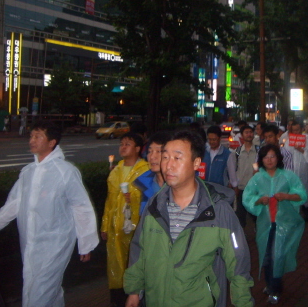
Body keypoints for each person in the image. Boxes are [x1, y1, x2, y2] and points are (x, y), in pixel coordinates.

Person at [124, 130, 254, 307]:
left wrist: (243, 302)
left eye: (177, 158)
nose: (168, 165)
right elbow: (140, 249)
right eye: (165, 157)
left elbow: (238, 263)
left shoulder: (218, 211)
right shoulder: (155, 206)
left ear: (196, 163)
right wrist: (134, 290)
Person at [0, 120, 98, 307]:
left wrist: (86, 242)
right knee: (40, 288)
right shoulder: (28, 172)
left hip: (55, 244)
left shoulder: (66, 172)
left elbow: (81, 206)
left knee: (40, 293)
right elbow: (13, 205)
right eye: (31, 136)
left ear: (52, 143)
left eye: (37, 136)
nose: (31, 140)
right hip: (31, 243)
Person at [243, 144, 307, 305]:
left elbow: (302, 195)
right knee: (266, 257)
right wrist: (259, 200)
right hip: (265, 225)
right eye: (266, 157)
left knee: (277, 256)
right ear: (261, 160)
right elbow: (247, 197)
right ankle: (270, 284)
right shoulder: (257, 179)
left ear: (278, 158)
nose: (269, 160)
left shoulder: (288, 176)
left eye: (272, 156)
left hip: (283, 225)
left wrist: (287, 196)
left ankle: (275, 289)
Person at [101, 132, 149, 307]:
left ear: (138, 148)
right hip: (116, 226)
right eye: (121, 143)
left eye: (128, 144)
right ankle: (118, 298)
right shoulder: (116, 170)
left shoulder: (145, 169)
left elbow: (149, 197)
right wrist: (105, 225)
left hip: (135, 225)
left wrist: (133, 197)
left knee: (134, 262)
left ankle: (135, 295)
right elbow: (109, 201)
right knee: (116, 264)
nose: (123, 147)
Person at [283, 121, 308, 221]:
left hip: (304, 171)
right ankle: (293, 213)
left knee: (304, 190)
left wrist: (302, 151)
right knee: (292, 191)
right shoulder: (288, 142)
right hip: (292, 173)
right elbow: (285, 157)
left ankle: (306, 209)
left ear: (301, 129)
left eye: (298, 130)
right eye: (294, 130)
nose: (296, 132)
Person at [135, 132, 171, 214]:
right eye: (149, 151)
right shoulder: (144, 183)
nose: (152, 157)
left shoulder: (181, 185)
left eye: (158, 151)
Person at [233, 125, 260, 227]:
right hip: (241, 188)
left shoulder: (259, 150)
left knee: (256, 214)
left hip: (255, 188)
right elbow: (234, 169)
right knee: (240, 215)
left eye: (251, 132)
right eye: (246, 132)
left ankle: (258, 232)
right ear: (242, 135)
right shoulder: (237, 151)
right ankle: (242, 237)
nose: (249, 134)